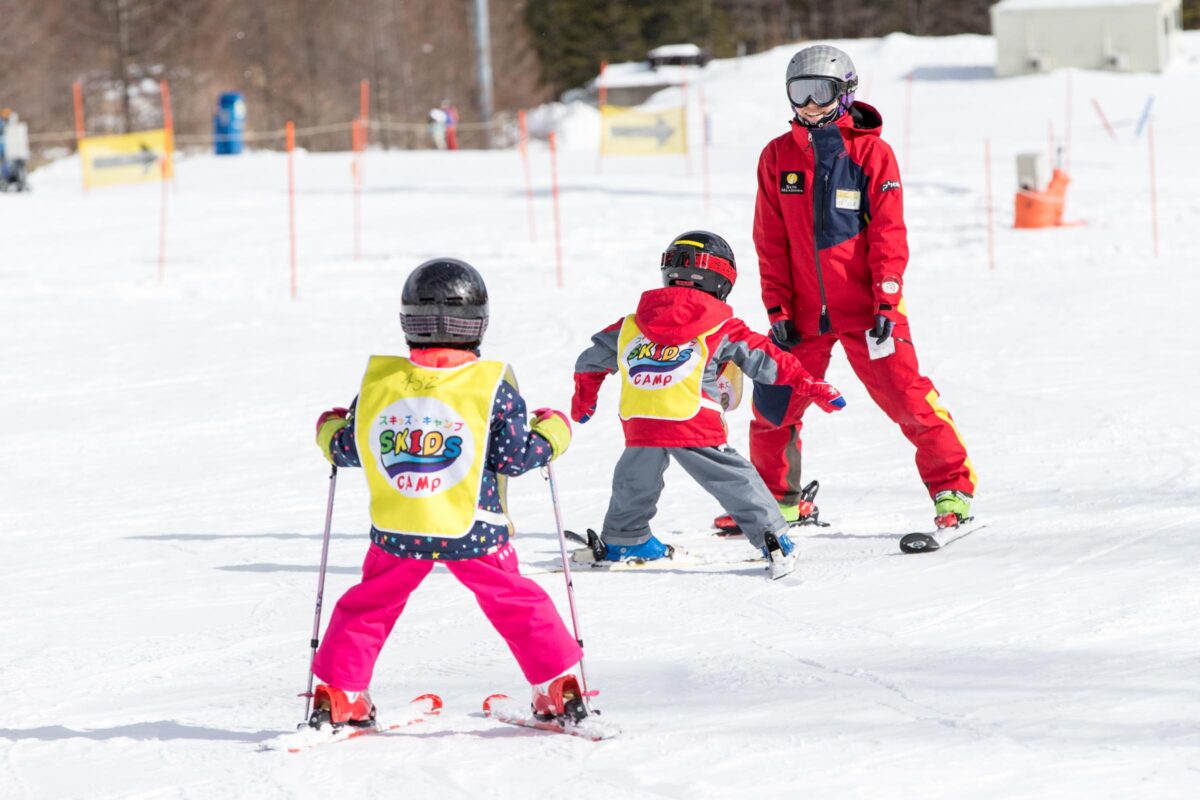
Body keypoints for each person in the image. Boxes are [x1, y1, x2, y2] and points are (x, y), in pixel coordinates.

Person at [309, 257, 592, 728]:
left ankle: (341, 693)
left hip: (400, 529)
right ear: (478, 323)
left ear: (408, 321)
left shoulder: (381, 384)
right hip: (475, 531)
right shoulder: (491, 386)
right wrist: (554, 433)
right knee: (515, 601)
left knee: (370, 603)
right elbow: (514, 458)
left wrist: (329, 427)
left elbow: (347, 448)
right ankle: (557, 687)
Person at [748, 44, 976, 531]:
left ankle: (951, 488)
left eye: (821, 92)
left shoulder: (871, 153)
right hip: (802, 315)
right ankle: (780, 501)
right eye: (799, 93)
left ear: (845, 93)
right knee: (774, 404)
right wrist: (777, 308)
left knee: (907, 398)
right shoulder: (777, 157)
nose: (809, 104)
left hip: (868, 308)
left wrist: (886, 301)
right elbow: (770, 240)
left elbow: (889, 234)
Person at [570, 231, 846, 578]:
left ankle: (626, 536)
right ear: (722, 281)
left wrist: (584, 400)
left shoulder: (631, 324)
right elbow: (765, 357)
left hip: (640, 420)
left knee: (635, 478)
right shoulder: (721, 325)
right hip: (692, 420)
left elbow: (589, 362)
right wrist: (809, 384)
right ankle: (772, 537)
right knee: (734, 479)